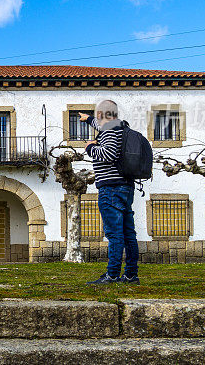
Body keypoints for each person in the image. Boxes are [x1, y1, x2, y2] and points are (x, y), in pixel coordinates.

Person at [79, 100, 139, 285]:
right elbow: (101, 127)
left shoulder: (110, 131)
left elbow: (108, 154)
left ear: (101, 115)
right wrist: (88, 119)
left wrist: (90, 147)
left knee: (114, 235)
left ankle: (112, 275)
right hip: (125, 186)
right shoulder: (120, 127)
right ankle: (130, 275)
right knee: (129, 234)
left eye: (97, 115)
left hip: (111, 188)